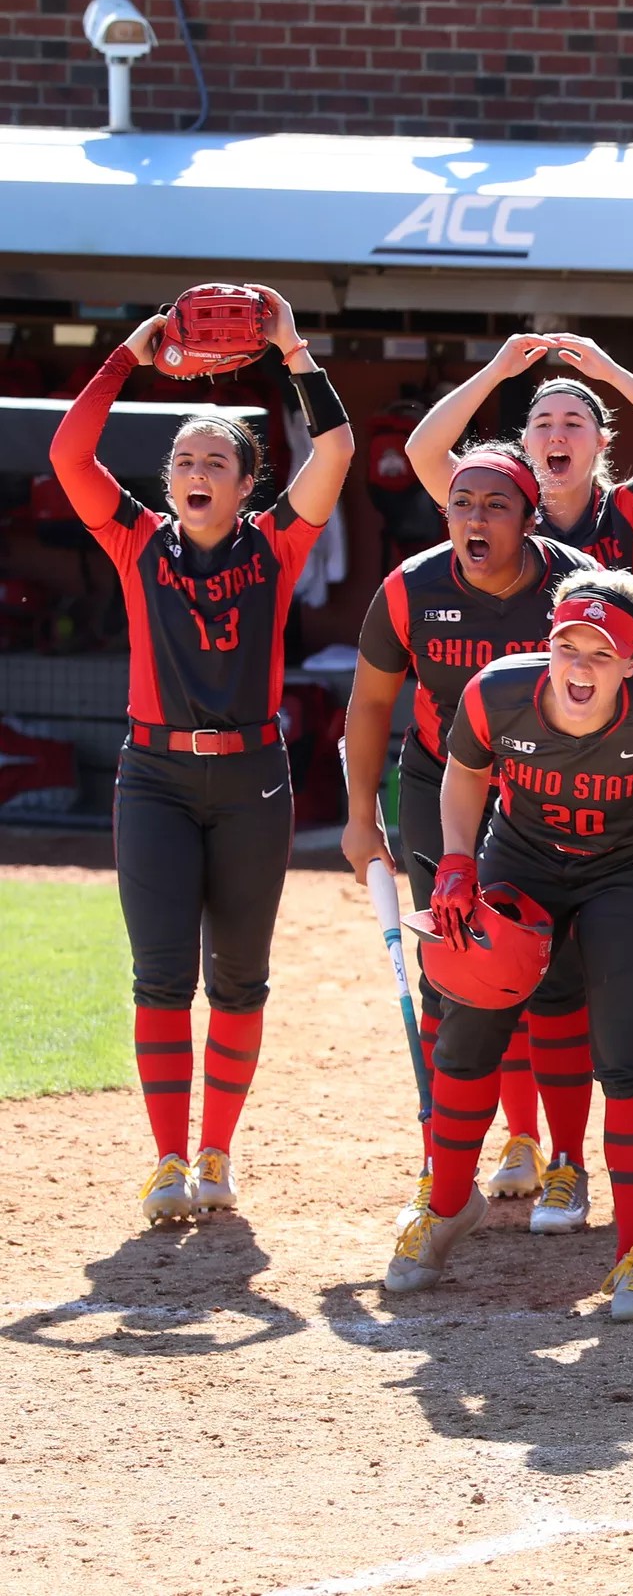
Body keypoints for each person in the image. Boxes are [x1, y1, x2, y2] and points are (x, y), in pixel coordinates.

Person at [49, 287, 354, 1227]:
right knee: (159, 978)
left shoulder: (276, 543)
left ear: (243, 481)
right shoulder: (136, 539)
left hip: (255, 780)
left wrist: (295, 354)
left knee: (240, 980)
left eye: (214, 459)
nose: (194, 467)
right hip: (155, 780)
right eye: (183, 457)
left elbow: (335, 450)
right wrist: (126, 357)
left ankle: (217, 1151)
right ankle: (168, 1159)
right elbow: (70, 452)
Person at [383, 571, 633, 1322]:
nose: (579, 666)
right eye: (566, 646)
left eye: (600, 654)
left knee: (627, 1060)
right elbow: (465, 772)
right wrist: (456, 858)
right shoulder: (495, 693)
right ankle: (447, 1206)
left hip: (629, 869)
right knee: (470, 1027)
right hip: (523, 854)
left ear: (631, 664)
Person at [341, 445, 600, 1226]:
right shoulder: (410, 587)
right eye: (462, 503)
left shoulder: (575, 584)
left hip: (550, 784)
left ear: (529, 515)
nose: (475, 518)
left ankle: (563, 1159)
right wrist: (361, 815)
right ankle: (447, 1158)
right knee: (454, 965)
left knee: (549, 969)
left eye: (495, 504)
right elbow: (369, 703)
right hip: (438, 779)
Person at [404, 330, 633, 576]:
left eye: (573, 423)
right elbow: (422, 451)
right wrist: (495, 373)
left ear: (601, 441)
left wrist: (614, 375)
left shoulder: (628, 509)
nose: (557, 434)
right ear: (526, 443)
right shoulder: (501, 505)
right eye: (543, 424)